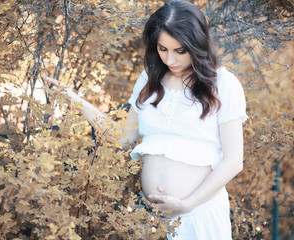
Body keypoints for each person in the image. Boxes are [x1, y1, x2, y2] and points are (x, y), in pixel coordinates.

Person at [43, 0, 248, 239]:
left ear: (198, 43)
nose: (170, 59)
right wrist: (76, 101)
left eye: (180, 50)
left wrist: (188, 204)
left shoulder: (224, 84)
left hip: (200, 214)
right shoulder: (149, 78)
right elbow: (124, 139)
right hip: (150, 221)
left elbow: (234, 161)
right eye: (163, 49)